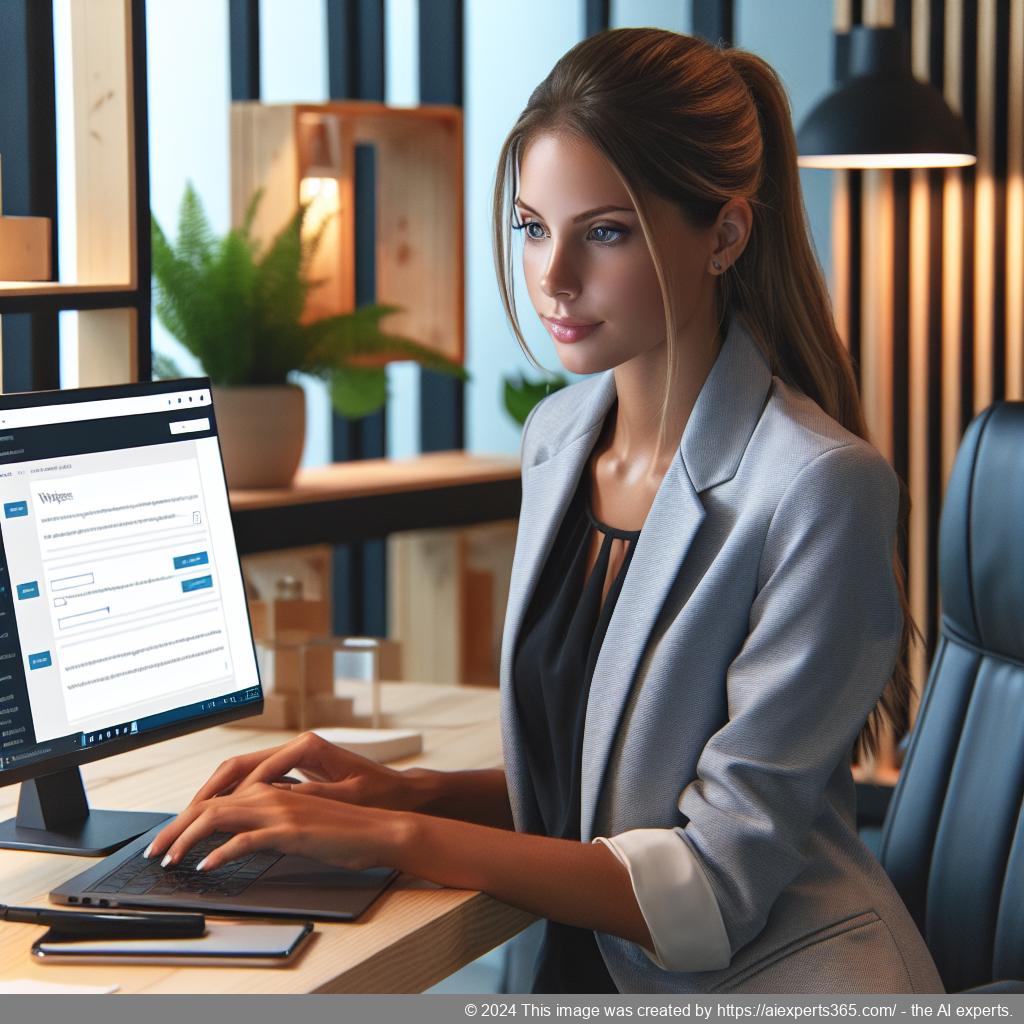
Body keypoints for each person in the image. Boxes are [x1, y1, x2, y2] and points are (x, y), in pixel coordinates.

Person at [145, 29, 945, 994]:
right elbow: (601, 785)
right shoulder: (560, 440)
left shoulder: (818, 486)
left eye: (603, 232)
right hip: (573, 966)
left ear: (725, 235)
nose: (553, 276)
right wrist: (406, 790)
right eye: (532, 227)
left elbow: (706, 886)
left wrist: (395, 833)